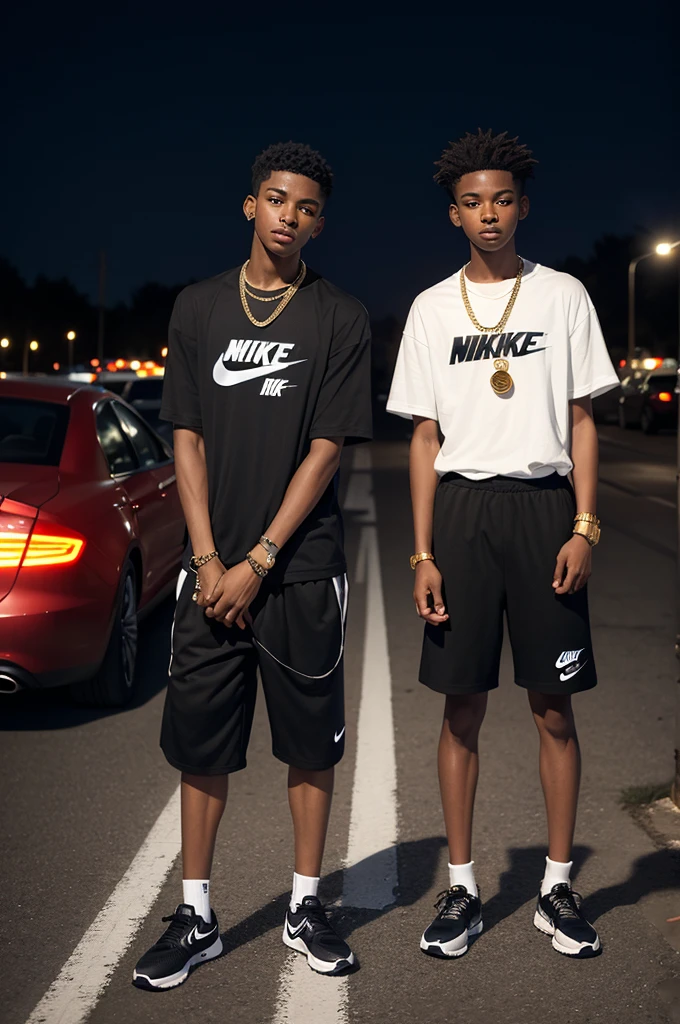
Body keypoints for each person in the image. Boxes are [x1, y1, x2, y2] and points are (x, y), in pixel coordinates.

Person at [132, 141, 372, 990]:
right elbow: (185, 436)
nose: (290, 217)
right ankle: (195, 914)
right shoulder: (197, 308)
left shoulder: (339, 316)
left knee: (310, 748)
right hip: (212, 573)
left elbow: (327, 448)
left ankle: (307, 906)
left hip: (299, 570)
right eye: (277, 200)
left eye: (307, 207)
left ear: (318, 222)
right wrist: (207, 558)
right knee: (202, 747)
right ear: (250, 205)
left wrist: (260, 558)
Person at [387, 129, 618, 961]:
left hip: (544, 509)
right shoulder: (431, 307)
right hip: (462, 513)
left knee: (553, 707)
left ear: (524, 206)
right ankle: (462, 886)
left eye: (504, 199)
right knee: (462, 707)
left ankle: (558, 885)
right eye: (474, 202)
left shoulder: (563, 296)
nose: (490, 213)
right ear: (455, 214)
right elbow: (423, 438)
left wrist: (585, 525)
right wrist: (421, 553)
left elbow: (584, 419)